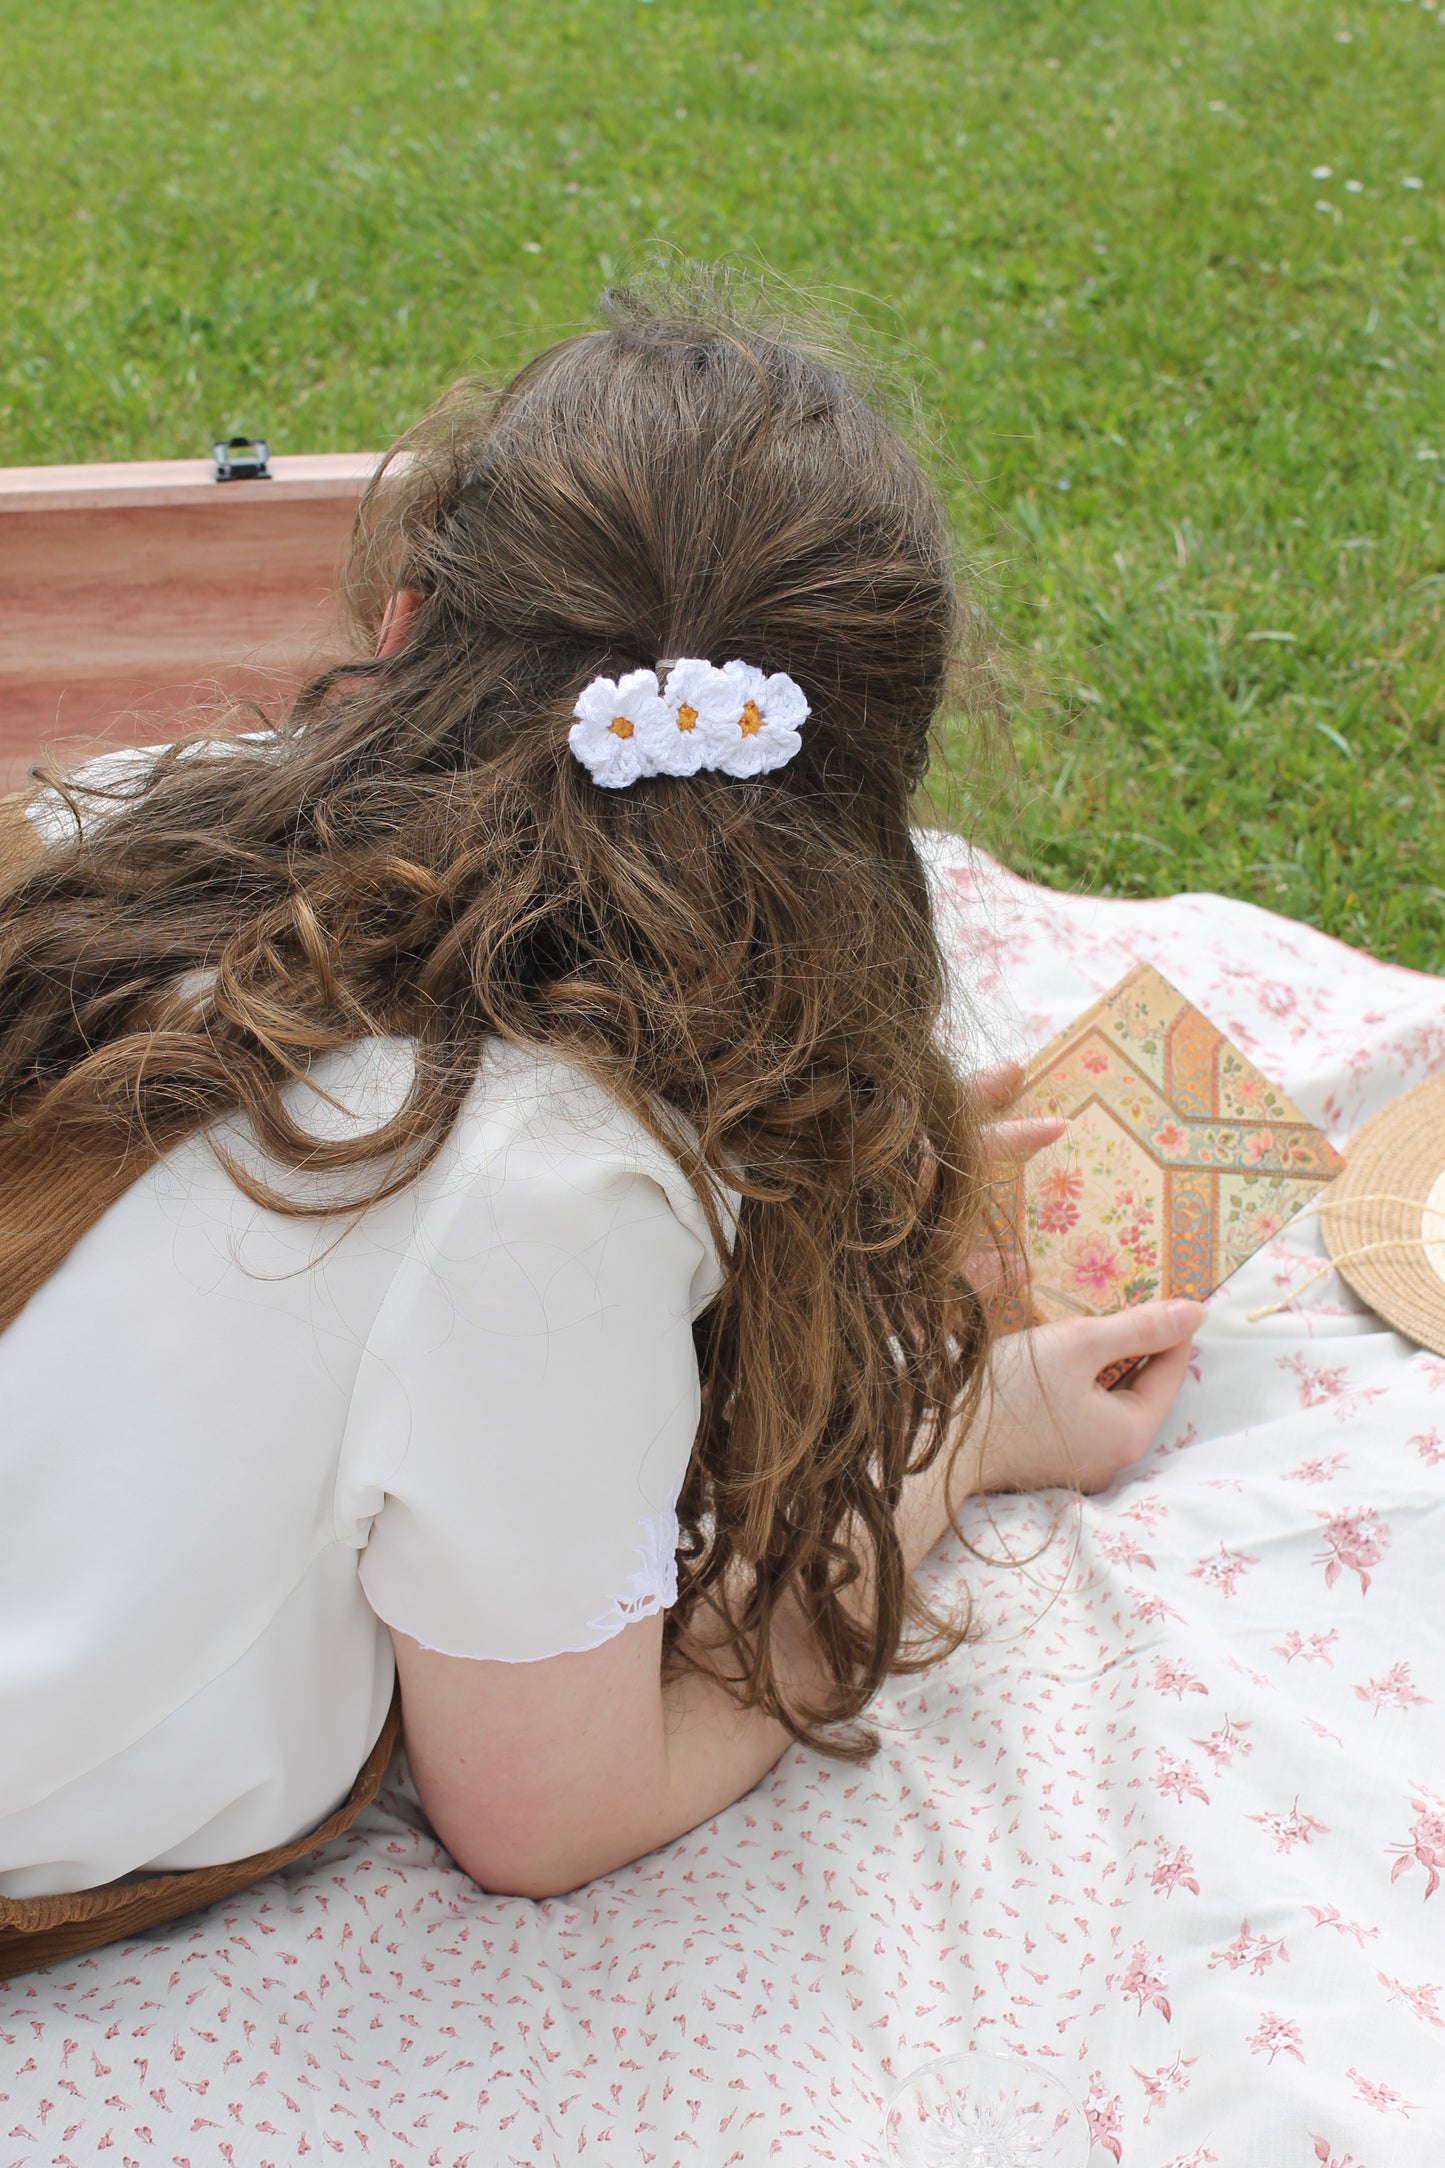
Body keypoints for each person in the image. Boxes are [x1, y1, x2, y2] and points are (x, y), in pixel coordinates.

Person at [0, 283, 1203, 1920]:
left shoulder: (120, 822)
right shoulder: (559, 1191)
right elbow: (549, 1815)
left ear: (407, 628)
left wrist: (802, 1230)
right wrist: (968, 1438)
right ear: (862, 815)